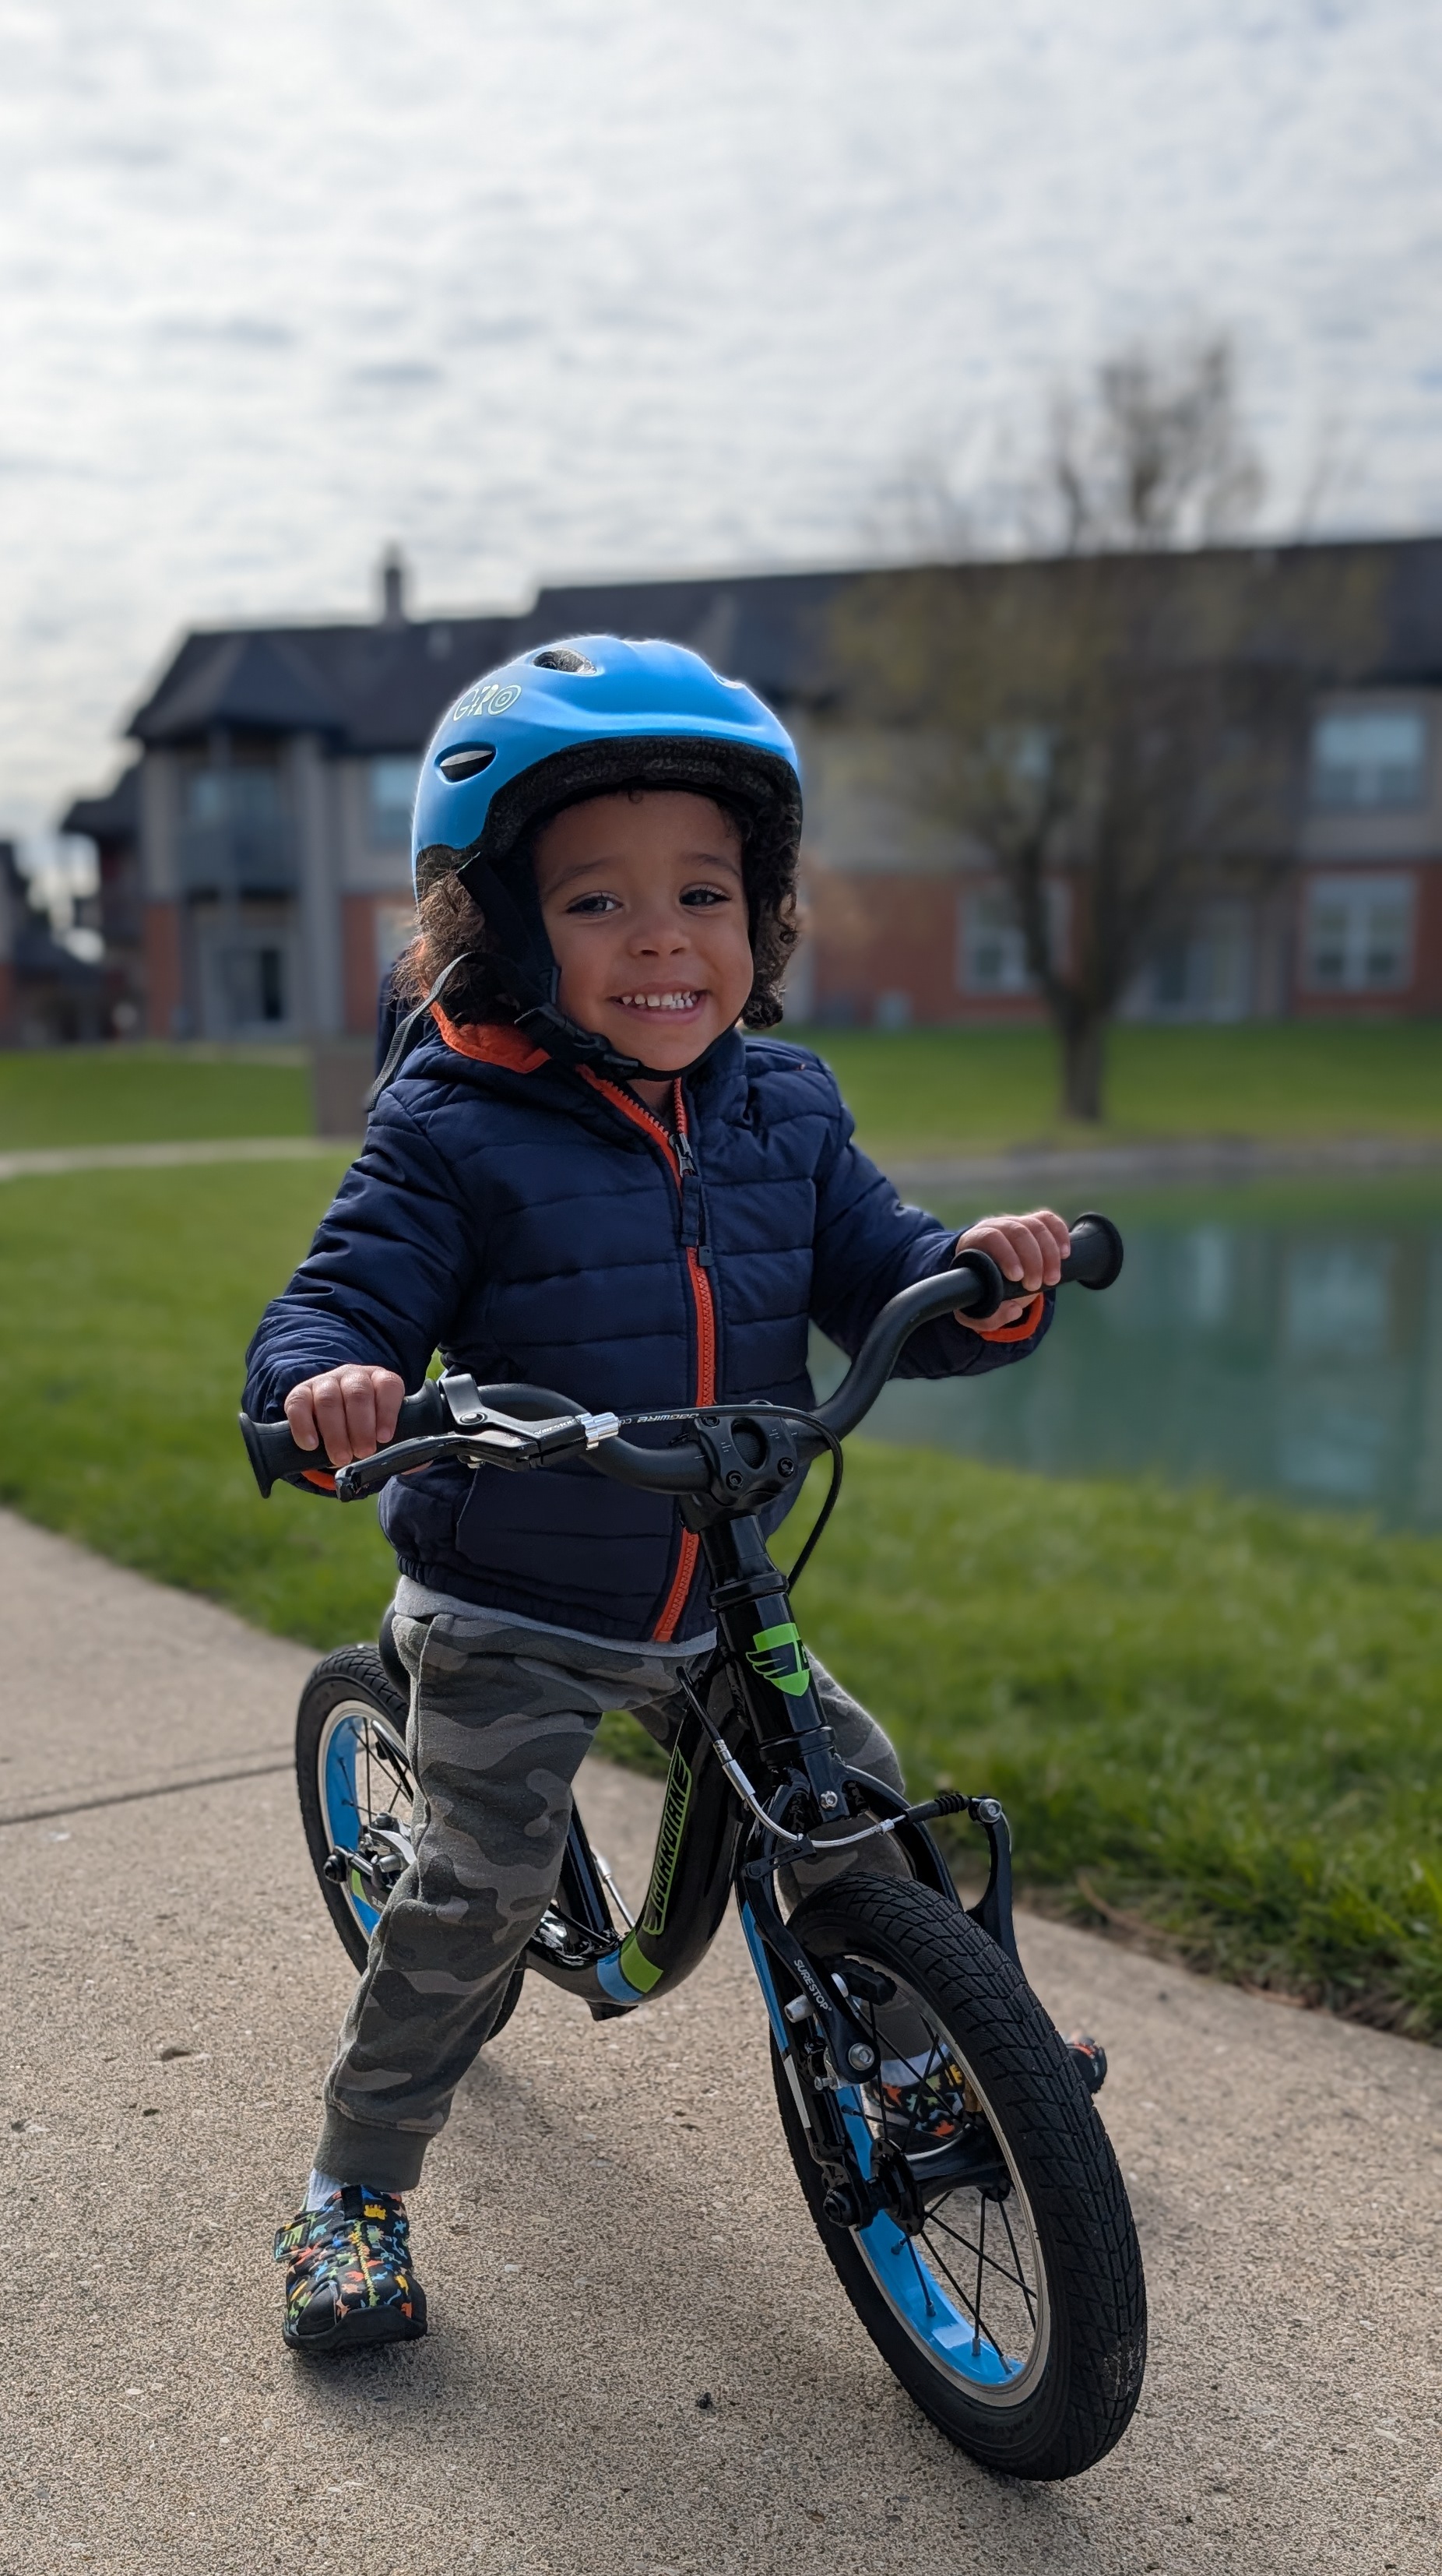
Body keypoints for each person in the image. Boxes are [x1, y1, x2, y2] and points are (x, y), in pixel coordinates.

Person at [244, 638, 1071, 2353]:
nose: (663, 938)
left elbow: (890, 1279)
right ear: (501, 929)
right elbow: (337, 1302)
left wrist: (982, 1285)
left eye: (704, 892)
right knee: (471, 1903)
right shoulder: (453, 1122)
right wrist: (325, 1389)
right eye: (599, 902)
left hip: (719, 1576)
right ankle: (352, 2186)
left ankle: (940, 2055)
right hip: (515, 1594)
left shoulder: (787, 1107)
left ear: (761, 916)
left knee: (860, 1801)